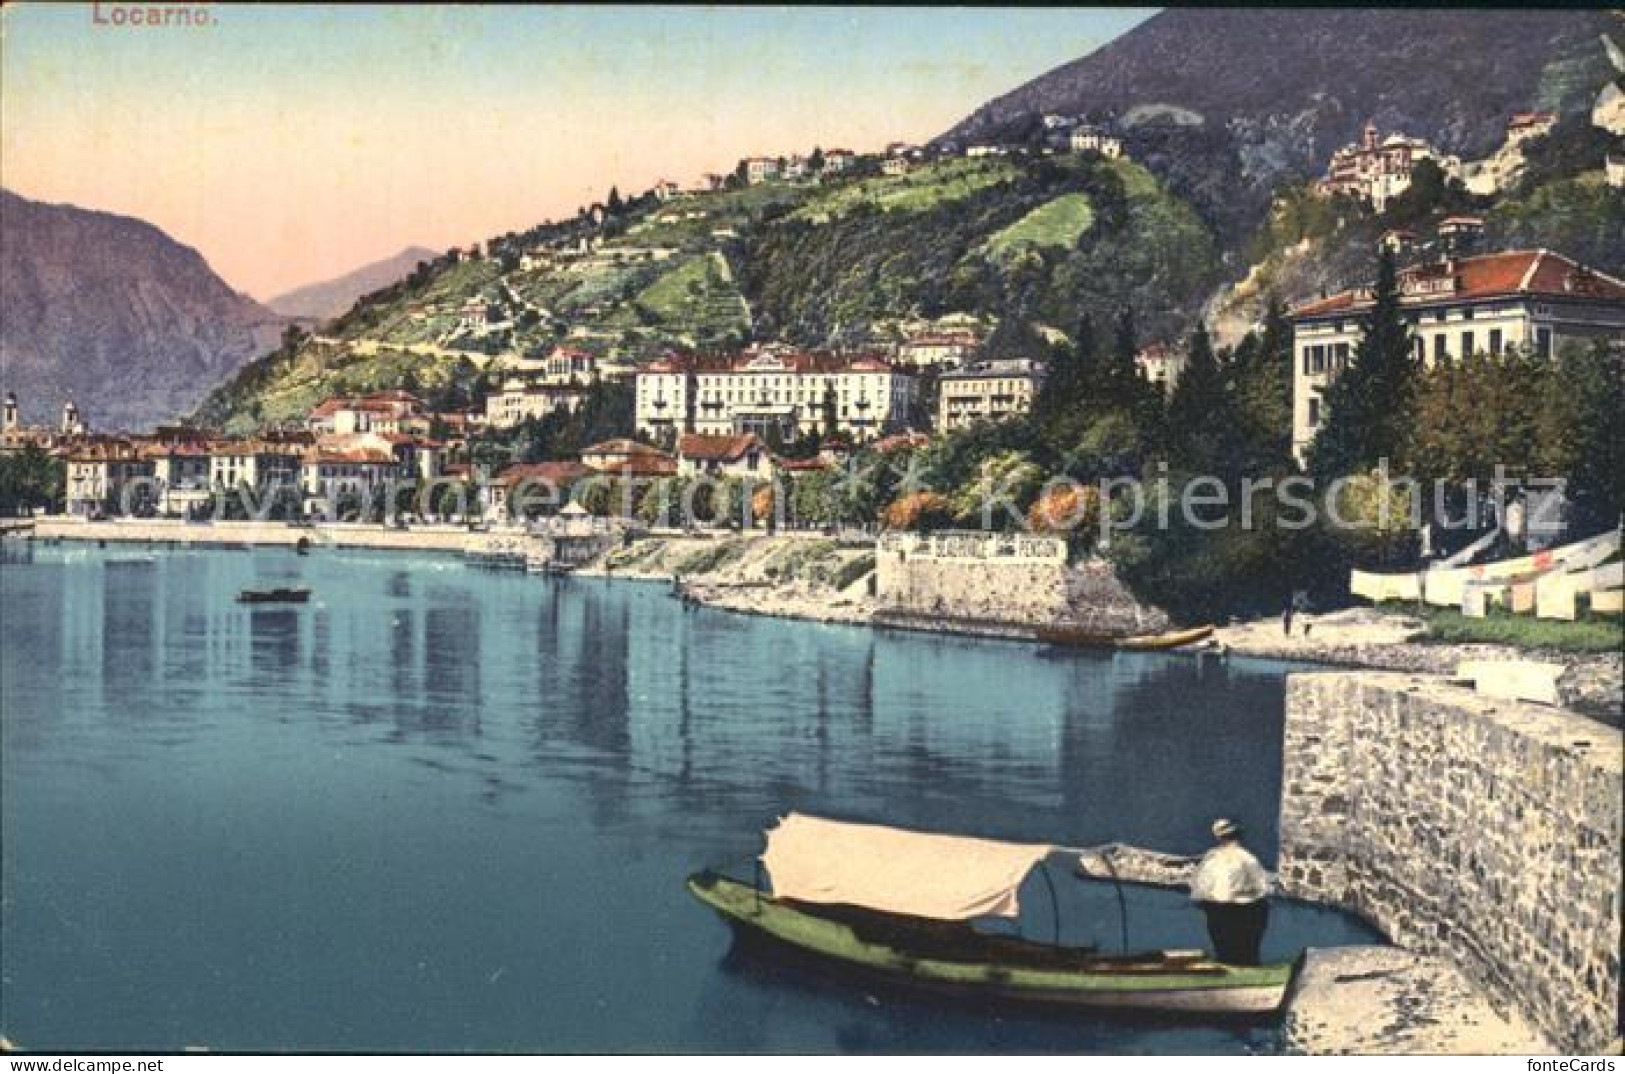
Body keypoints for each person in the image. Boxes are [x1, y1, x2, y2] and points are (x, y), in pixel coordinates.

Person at [1189, 818, 1270, 965]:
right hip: (1235, 910)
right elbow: (1261, 887)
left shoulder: (1213, 858)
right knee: (1237, 949)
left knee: (1230, 949)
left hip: (1228, 909)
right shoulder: (1245, 858)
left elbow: (1201, 885)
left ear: (1219, 838)